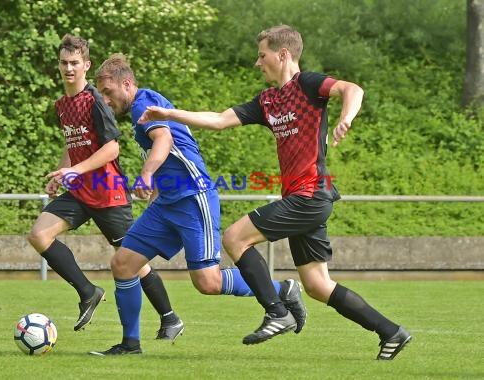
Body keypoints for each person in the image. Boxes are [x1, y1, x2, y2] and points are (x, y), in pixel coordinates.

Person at [138, 25, 412, 360]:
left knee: (236, 238)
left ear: (282, 54)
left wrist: (346, 118)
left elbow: (352, 89)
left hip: (311, 193)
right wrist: (169, 113)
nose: (258, 62)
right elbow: (219, 120)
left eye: (262, 54)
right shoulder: (268, 101)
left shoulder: (308, 85)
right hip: (303, 198)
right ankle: (392, 332)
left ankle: (276, 311)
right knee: (317, 285)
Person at [88, 53, 307, 356]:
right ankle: (130, 344)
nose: (105, 99)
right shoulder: (146, 103)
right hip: (167, 204)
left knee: (208, 282)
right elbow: (167, 149)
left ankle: (282, 290)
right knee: (123, 264)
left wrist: (147, 174)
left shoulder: (142, 103)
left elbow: (163, 140)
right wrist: (155, 190)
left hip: (193, 198)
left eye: (108, 92)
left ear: (127, 84)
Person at [27, 34, 184, 341]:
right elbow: (73, 144)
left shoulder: (95, 100)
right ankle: (88, 291)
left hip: (107, 191)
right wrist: (62, 174)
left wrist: (74, 170)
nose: (68, 68)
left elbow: (111, 150)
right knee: (39, 234)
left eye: (75, 63)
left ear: (86, 65)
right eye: (63, 63)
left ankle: (170, 318)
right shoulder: (63, 104)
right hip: (79, 189)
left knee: (133, 261)